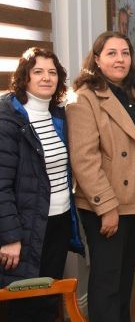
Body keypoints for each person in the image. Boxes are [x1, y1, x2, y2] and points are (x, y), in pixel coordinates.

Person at [67, 31, 135, 322]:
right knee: (107, 282)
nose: (120, 59)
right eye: (112, 53)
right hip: (105, 205)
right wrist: (107, 207)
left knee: (125, 280)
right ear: (97, 59)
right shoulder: (84, 98)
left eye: (125, 53)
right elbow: (84, 159)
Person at [0, 48, 84, 321]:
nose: (46, 78)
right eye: (38, 71)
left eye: (52, 72)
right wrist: (10, 237)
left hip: (59, 221)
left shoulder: (59, 115)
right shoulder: (8, 118)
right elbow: (1, 185)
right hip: (25, 227)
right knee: (25, 304)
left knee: (48, 298)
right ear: (24, 77)